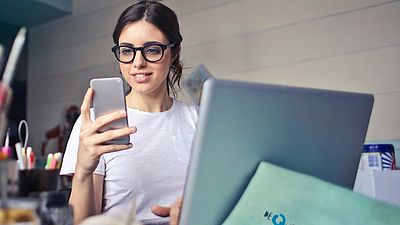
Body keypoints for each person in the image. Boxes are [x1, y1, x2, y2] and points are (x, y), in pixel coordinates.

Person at [60, 1, 197, 225]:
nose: (138, 62)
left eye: (152, 49)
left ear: (174, 52)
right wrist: (84, 169)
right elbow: (82, 223)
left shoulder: (198, 119)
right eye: (127, 51)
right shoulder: (97, 124)